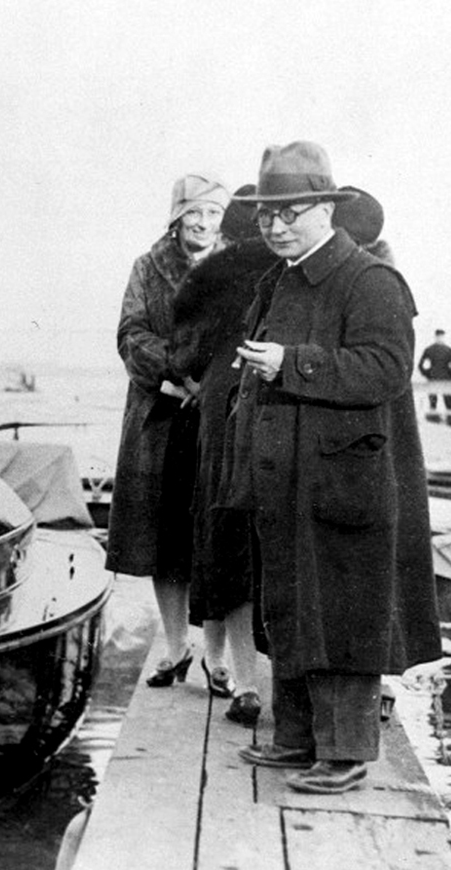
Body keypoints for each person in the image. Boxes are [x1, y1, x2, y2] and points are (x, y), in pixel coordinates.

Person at [226, 141, 440, 793]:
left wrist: (289, 363)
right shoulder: (281, 277)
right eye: (266, 215)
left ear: (327, 209)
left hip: (346, 478)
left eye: (290, 212)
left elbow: (384, 369)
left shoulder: (369, 280)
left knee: (344, 610)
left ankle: (343, 751)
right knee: (290, 603)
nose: (275, 225)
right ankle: (296, 738)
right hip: (287, 475)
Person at [105, 174, 231, 691]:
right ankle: (177, 646)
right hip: (161, 417)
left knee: (220, 538)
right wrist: (177, 376)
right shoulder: (147, 268)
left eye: (213, 214)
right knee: (164, 538)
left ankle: (217, 656)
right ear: (176, 218)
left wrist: (216, 383)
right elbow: (131, 333)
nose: (202, 224)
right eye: (192, 214)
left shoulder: (237, 266)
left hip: (220, 416)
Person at [167, 186, 270, 726]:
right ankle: (253, 679)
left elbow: (185, 348)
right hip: (274, 413)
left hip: (220, 410)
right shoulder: (288, 269)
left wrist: (196, 379)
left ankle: (225, 668)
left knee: (217, 537)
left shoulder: (211, 275)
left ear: (228, 230)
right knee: (258, 547)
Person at [418, 329, 451, 425]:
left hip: (433, 378)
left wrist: (427, 374)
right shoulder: (448, 350)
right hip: (446, 379)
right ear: (443, 336)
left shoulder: (429, 349)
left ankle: (433, 420)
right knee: (448, 402)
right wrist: (450, 376)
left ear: (435, 336)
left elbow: (420, 365)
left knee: (433, 402)